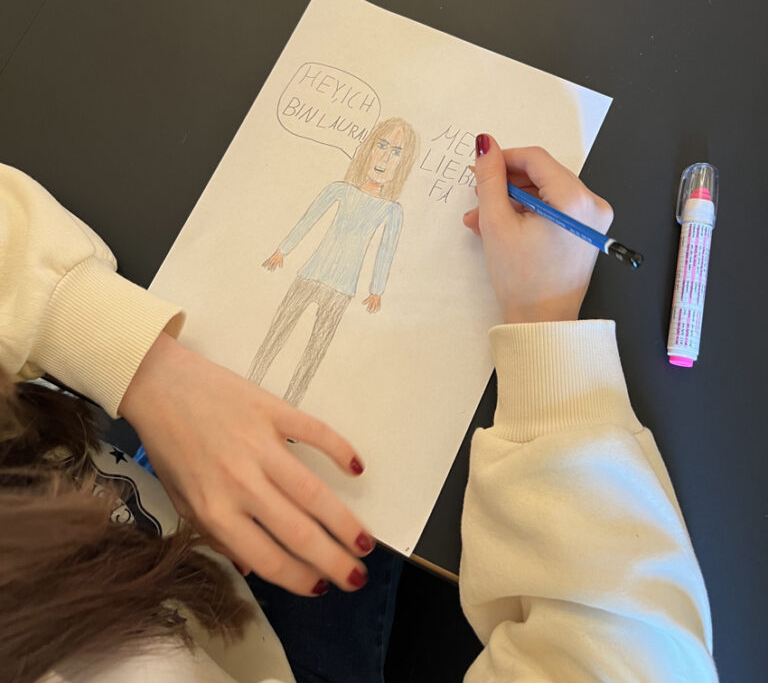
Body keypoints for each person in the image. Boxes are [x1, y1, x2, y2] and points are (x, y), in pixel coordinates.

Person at [0, 138, 718, 682]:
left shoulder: (386, 209)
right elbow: (635, 658)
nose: (384, 162)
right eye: (383, 151)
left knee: (304, 364)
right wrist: (544, 322)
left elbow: (379, 249)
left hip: (146, 499)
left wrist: (140, 366)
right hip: (260, 633)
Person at [249, 116, 418, 406]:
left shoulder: (392, 211)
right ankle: (248, 384)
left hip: (342, 289)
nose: (384, 158)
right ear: (368, 149)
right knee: (276, 335)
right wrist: (282, 251)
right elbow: (308, 220)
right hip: (310, 275)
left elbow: (385, 251)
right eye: (381, 145)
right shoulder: (339, 190)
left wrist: (376, 290)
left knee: (314, 354)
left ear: (402, 164)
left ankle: (291, 408)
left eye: (395, 152)